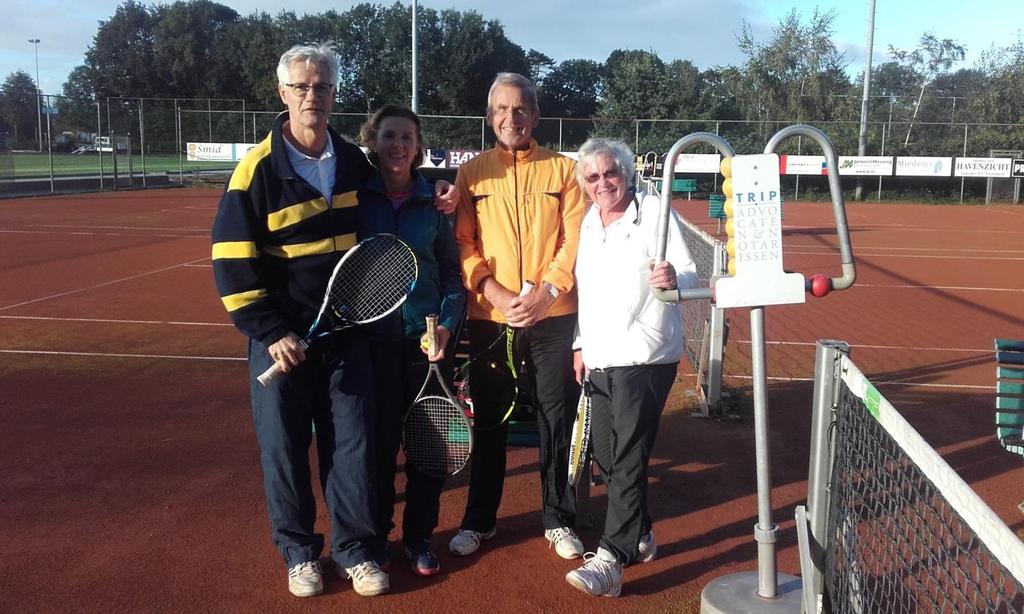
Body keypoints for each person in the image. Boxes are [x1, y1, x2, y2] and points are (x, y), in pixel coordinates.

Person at [210, 44, 458, 599]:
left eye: (321, 87)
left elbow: (407, 172)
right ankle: (300, 554)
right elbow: (230, 260)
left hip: (346, 333)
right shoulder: (255, 170)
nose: (312, 97)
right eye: (301, 87)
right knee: (285, 449)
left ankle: (357, 550)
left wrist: (443, 188)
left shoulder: (351, 160)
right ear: (283, 94)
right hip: (281, 341)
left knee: (354, 445)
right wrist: (271, 332)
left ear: (333, 94)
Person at [450, 72, 587, 560]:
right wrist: (494, 291)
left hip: (553, 317)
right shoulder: (472, 174)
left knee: (556, 417)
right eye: (502, 110)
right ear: (491, 118)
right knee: (488, 420)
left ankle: (559, 519)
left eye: (521, 109)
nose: (512, 118)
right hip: (492, 317)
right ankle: (479, 520)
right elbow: (463, 244)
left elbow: (575, 239)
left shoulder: (564, 171)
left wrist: (548, 291)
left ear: (535, 116)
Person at [564, 138, 698, 597]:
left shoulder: (656, 212)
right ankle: (639, 533)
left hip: (645, 354)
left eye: (610, 173)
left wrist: (672, 278)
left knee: (626, 457)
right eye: (593, 177)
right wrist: (580, 344)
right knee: (605, 450)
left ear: (626, 172)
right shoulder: (587, 222)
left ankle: (611, 560)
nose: (603, 183)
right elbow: (588, 289)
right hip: (600, 354)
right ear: (584, 184)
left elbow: (689, 272)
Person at [357, 104, 466, 577]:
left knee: (428, 445)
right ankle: (377, 535)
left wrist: (444, 326)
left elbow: (452, 277)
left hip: (425, 346)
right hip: (372, 344)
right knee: (377, 448)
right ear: (373, 141)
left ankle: (418, 536)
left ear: (418, 146)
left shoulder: (436, 203)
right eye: (388, 136)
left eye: (406, 137)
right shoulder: (355, 196)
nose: (397, 145)